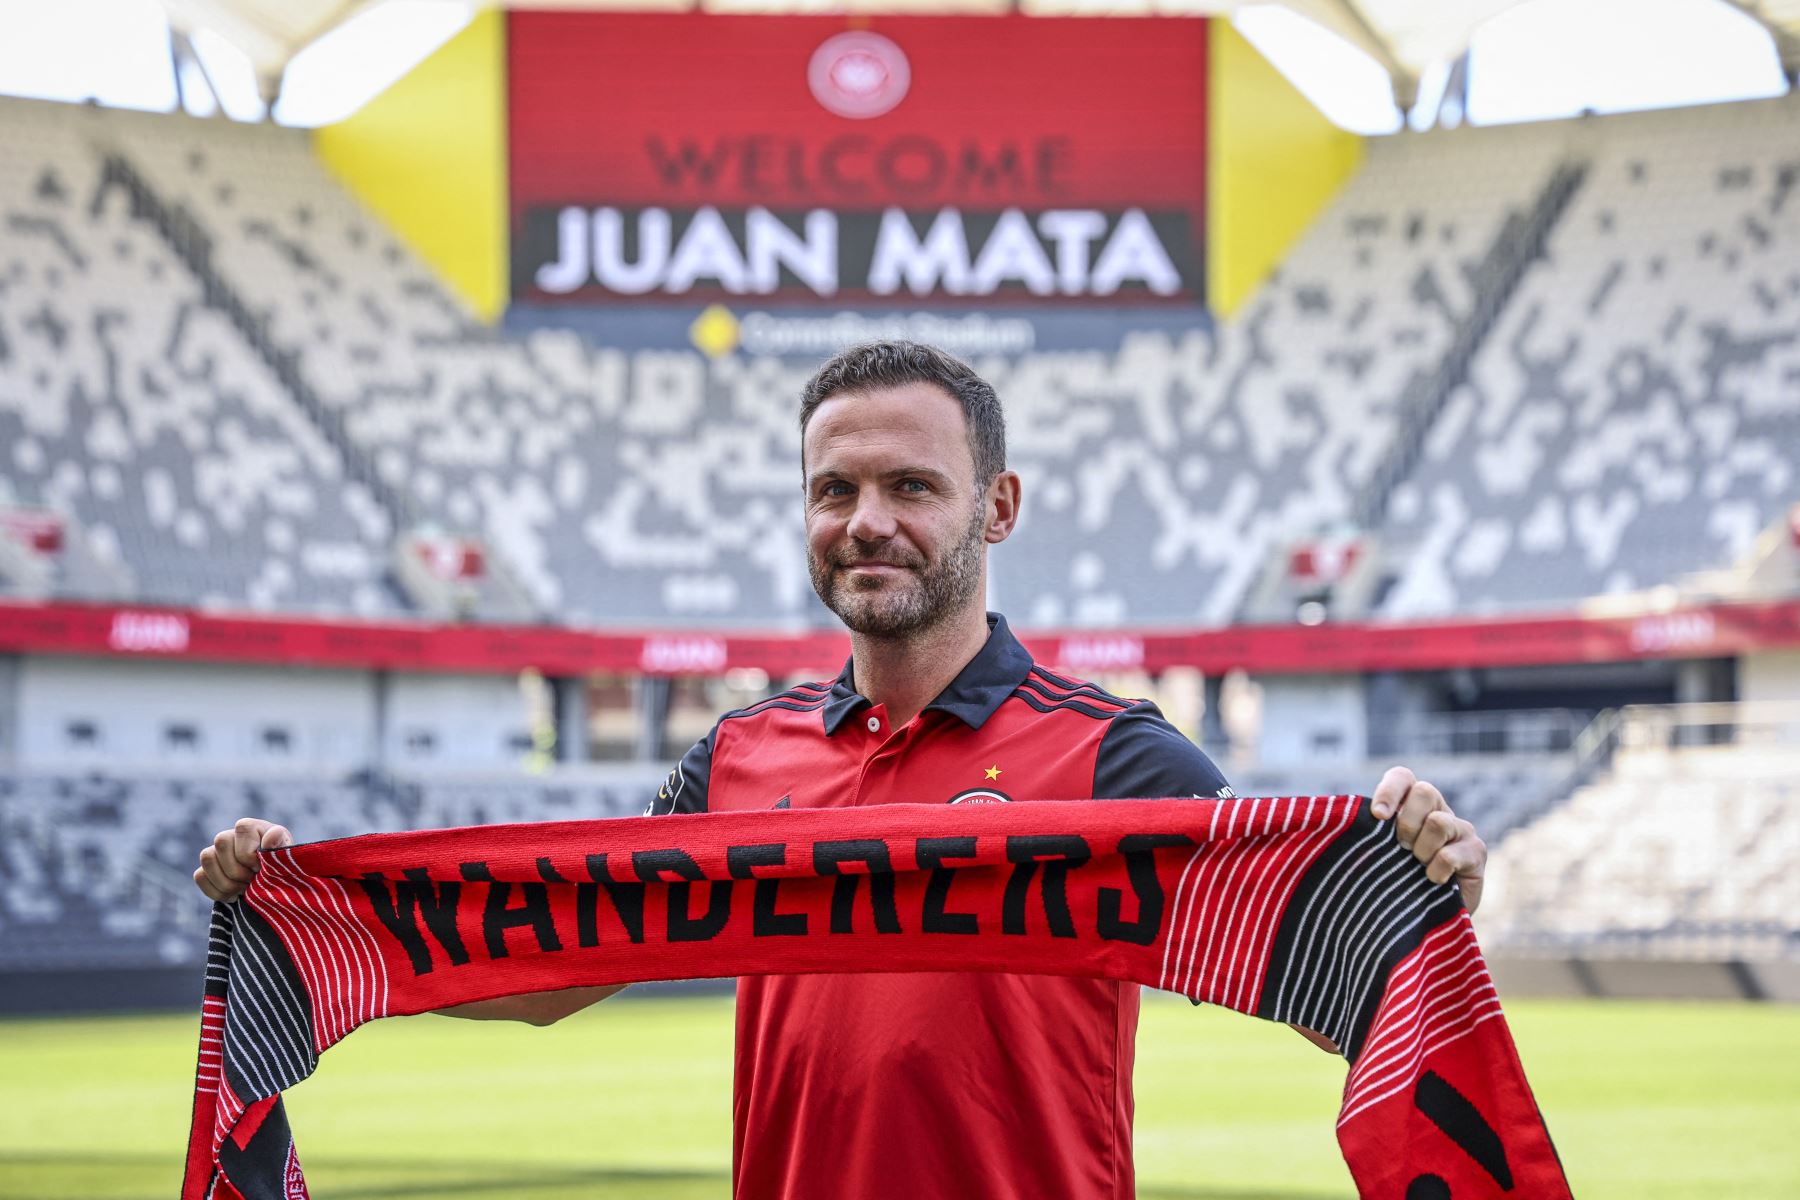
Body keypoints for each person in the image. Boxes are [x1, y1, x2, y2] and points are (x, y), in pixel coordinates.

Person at [196, 341, 1489, 1199]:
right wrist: (309, 908)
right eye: (835, 489)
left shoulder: (1114, 754)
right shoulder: (740, 758)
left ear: (998, 507)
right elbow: (551, 971)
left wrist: (1432, 877)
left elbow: (1318, 923)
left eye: (912, 485)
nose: (866, 520)